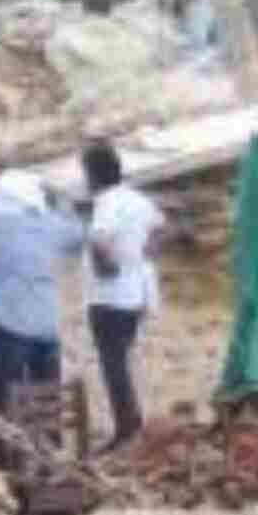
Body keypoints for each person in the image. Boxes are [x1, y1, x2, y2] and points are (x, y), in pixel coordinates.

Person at [0, 169, 85, 434]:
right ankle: (50, 452)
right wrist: (62, 203)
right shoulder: (51, 225)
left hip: (8, 324)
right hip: (46, 324)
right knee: (46, 393)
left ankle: (11, 455)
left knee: (6, 395)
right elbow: (80, 234)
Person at [81, 141, 165, 453]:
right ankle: (132, 421)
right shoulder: (138, 199)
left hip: (109, 296)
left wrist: (105, 267)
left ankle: (126, 428)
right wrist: (146, 254)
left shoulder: (106, 202)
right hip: (135, 293)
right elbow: (159, 227)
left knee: (113, 363)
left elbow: (98, 239)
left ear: (93, 174)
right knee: (123, 359)